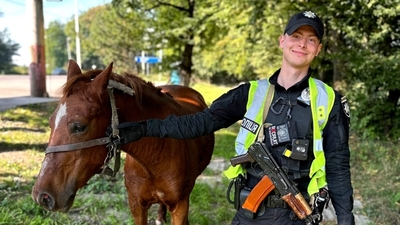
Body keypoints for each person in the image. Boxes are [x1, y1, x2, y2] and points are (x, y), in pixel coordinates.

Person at [110, 11, 355, 225]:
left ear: (319, 49)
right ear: (282, 41)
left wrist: (346, 219)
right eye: (296, 36)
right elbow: (200, 123)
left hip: (297, 213)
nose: (303, 44)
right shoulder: (250, 93)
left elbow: (337, 165)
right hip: (250, 213)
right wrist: (145, 128)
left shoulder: (328, 100)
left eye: (311, 40)